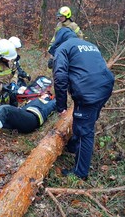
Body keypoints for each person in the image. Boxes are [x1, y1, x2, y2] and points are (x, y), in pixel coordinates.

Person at [49, 27, 115, 180]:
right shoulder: (89, 45)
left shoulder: (63, 48)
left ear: (59, 39)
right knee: (86, 120)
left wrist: (61, 106)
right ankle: (73, 145)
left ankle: (80, 173)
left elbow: (60, 77)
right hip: (105, 87)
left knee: (85, 131)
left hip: (89, 92)